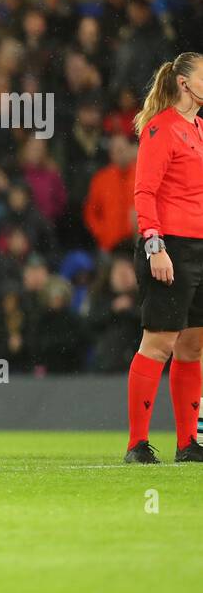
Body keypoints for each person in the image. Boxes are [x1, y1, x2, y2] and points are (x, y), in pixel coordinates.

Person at [123, 53, 203, 463]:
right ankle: (137, 444)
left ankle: (188, 443)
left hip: (200, 247)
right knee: (158, 343)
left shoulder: (200, 129)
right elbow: (145, 192)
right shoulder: (161, 129)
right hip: (171, 246)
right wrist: (155, 245)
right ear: (185, 84)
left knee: (193, 346)